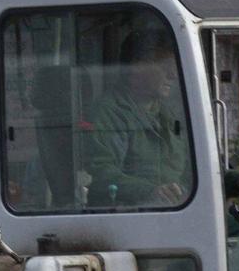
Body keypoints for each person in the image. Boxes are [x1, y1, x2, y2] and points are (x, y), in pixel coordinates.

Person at [81, 30, 196, 209]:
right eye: (164, 67)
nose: (173, 75)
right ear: (136, 67)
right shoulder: (109, 111)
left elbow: (193, 167)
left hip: (175, 208)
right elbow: (103, 172)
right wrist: (151, 191)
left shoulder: (169, 113)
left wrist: (232, 180)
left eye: (174, 67)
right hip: (129, 215)